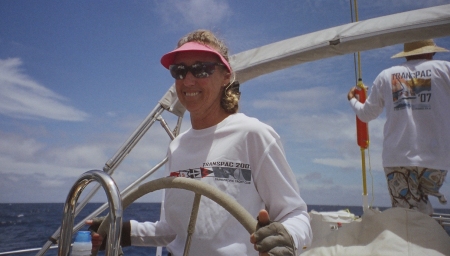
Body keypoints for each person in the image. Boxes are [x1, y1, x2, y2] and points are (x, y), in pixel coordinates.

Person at [88, 29, 312, 255]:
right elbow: (173, 230)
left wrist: (287, 236)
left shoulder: (254, 135)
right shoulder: (177, 147)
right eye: (179, 71)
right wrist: (119, 231)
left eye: (201, 69)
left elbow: (296, 215)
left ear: (226, 75)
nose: (188, 80)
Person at [347, 39, 450, 215]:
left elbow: (366, 114)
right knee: (420, 211)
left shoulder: (386, 76)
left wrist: (352, 99)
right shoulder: (445, 69)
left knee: (408, 219)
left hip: (397, 159)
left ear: (407, 54)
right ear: (430, 52)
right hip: (436, 161)